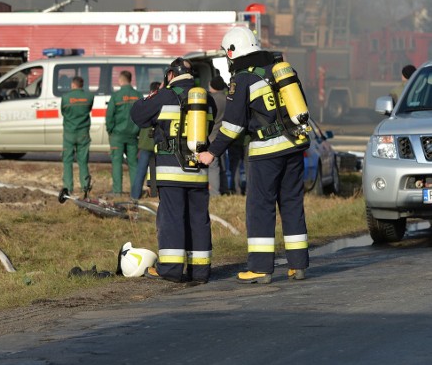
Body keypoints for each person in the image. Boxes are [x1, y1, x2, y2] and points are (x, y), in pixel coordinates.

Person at [197, 27, 310, 284]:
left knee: (261, 208)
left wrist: (212, 152)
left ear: (231, 53)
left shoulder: (242, 79)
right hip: (293, 147)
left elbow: (233, 125)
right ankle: (298, 265)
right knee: (292, 204)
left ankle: (260, 268)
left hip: (265, 152)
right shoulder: (281, 70)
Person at [130, 58, 217, 284]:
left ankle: (170, 269)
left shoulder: (165, 95)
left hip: (171, 170)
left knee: (172, 219)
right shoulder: (205, 98)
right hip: (198, 169)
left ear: (170, 74)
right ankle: (200, 271)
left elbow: (138, 115)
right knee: (198, 219)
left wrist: (153, 95)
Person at [106, 70, 142, 196]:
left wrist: (110, 131)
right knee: (133, 164)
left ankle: (117, 192)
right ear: (130, 80)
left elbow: (109, 116)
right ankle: (135, 193)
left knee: (117, 163)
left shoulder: (116, 96)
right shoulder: (138, 95)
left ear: (120, 80)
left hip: (117, 135)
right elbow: (142, 116)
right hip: (133, 135)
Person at [60, 76, 95, 199]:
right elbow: (89, 109)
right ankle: (85, 186)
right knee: (83, 161)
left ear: (73, 85)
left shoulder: (65, 98)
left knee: (67, 161)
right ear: (82, 85)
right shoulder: (89, 97)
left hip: (69, 133)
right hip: (83, 133)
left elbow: (63, 112)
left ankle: (68, 187)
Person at [130, 81, 161, 201]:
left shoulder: (146, 103)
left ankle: (135, 195)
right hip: (158, 143)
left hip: (145, 143)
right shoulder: (162, 103)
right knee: (155, 170)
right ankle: (154, 193)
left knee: (141, 172)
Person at [207, 74, 228, 197]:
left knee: (213, 167)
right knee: (223, 166)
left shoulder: (211, 99)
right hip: (223, 136)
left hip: (212, 136)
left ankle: (215, 193)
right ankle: (225, 188)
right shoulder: (226, 98)